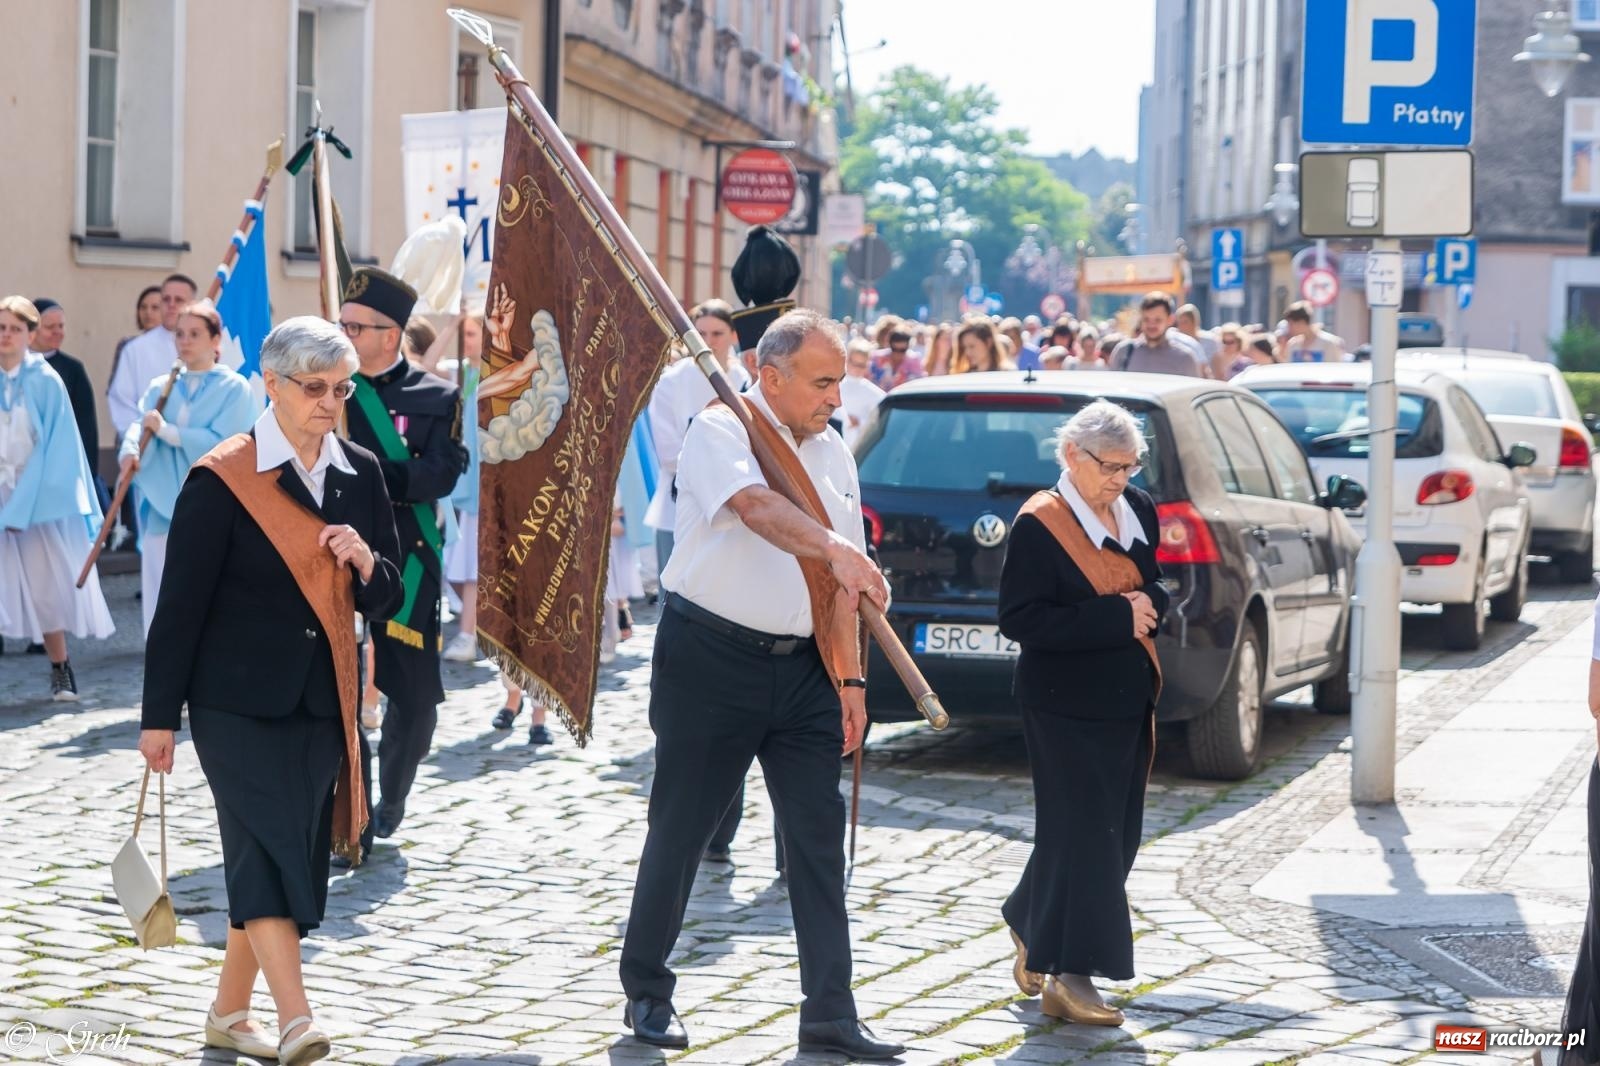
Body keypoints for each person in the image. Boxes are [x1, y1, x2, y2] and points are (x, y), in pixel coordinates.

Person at [618, 309, 903, 1061]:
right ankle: (647, 989)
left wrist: (849, 679)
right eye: (821, 382)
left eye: (839, 383)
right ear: (769, 377)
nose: (835, 400)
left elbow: (836, 585)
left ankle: (832, 1014)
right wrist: (836, 547)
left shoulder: (837, 454)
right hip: (711, 660)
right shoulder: (722, 428)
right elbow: (756, 510)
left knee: (815, 840)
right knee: (681, 829)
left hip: (806, 669)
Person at [137, 316, 403, 1066]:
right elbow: (179, 608)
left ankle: (228, 1011)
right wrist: (160, 719)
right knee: (263, 855)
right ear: (273, 385)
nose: (330, 401)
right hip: (233, 704)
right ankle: (296, 1019)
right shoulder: (224, 476)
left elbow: (389, 598)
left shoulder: (360, 471)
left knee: (289, 855)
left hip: (323, 701)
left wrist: (364, 564)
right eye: (314, 388)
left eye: (341, 387)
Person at [997, 399, 1165, 1028]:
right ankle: (1070, 979)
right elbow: (1019, 619)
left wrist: (1148, 605)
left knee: (1110, 834)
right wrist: (1116, 616)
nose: (1121, 478)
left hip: (1128, 695)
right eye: (1111, 466)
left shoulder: (1137, 510)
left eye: (1131, 466)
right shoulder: (1040, 523)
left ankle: (1026, 915)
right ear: (1072, 456)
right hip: (1062, 703)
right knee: (1086, 838)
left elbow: (1158, 585)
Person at [339, 268, 465, 843]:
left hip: (407, 559)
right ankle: (353, 808)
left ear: (390, 335)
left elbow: (441, 472)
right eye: (340, 323)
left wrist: (375, 476)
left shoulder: (437, 397)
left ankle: (393, 793)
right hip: (333, 554)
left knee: (412, 697)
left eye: (355, 326)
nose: (343, 333)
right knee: (333, 690)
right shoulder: (326, 391)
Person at [0, 296, 115, 698]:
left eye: (15, 328)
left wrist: (21, 505)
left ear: (31, 335)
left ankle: (60, 666)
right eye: (1, 328)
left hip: (36, 498)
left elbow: (56, 447)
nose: (6, 336)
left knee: (44, 582)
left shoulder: (45, 380)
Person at [118, 301, 256, 634]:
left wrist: (168, 432)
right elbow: (140, 426)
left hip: (212, 504)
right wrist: (129, 451)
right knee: (158, 585)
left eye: (195, 333)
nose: (185, 341)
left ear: (215, 339)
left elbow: (226, 443)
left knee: (205, 585)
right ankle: (160, 650)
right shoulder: (160, 386)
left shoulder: (234, 388)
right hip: (163, 502)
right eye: (180, 334)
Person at [644, 299, 751, 574]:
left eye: (717, 334)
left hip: (736, 508)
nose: (708, 341)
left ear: (733, 336)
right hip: (678, 507)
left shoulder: (746, 382)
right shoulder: (671, 382)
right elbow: (669, 454)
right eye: (700, 333)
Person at [29, 300, 102, 507]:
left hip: (61, 465)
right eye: (50, 327)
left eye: (61, 326)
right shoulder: (14, 367)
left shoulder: (73, 369)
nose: (57, 332)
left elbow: (85, 425)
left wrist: (87, 472)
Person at [109, 274, 198, 442]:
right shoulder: (135, 349)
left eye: (178, 300)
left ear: (192, 304)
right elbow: (122, 401)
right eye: (166, 299)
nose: (171, 305)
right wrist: (138, 440)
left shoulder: (207, 347)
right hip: (148, 447)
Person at [1110, 293, 1207, 377]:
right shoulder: (1124, 352)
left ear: (1170, 320)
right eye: (1146, 319)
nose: (1151, 325)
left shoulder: (1185, 359)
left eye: (1158, 320)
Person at [840, 340, 887, 449]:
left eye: (861, 365)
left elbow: (879, 422)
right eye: (854, 363)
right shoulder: (835, 385)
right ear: (847, 360)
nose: (857, 368)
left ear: (867, 365)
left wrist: (859, 421)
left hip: (856, 447)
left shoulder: (875, 393)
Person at [1282, 302, 1348, 363]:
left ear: (1301, 322)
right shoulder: (1293, 344)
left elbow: (1334, 369)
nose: (1289, 328)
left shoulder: (1328, 343)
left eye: (1291, 324)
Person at [1175, 304, 1224, 379]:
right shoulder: (1176, 342)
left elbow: (1217, 371)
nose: (1181, 326)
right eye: (1179, 323)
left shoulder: (1210, 341)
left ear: (1195, 321)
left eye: (1184, 322)